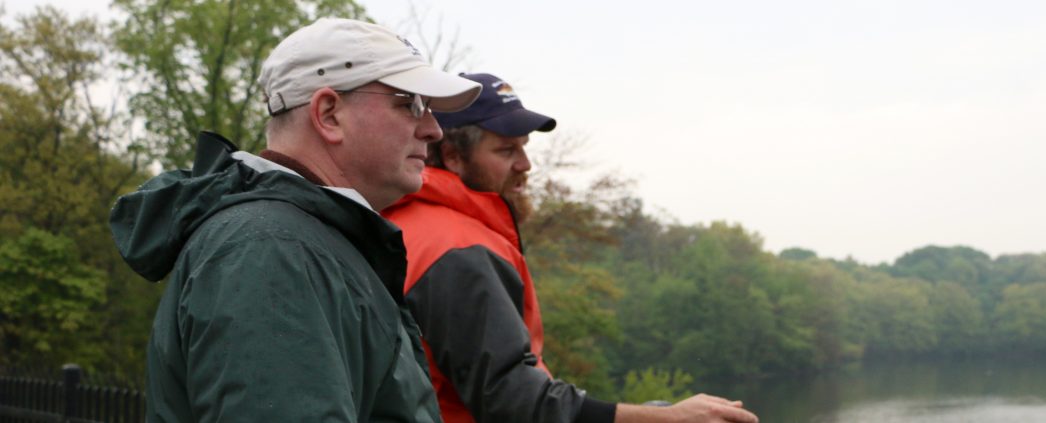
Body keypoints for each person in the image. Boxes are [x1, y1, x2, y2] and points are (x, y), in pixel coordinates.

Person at [108, 18, 482, 422]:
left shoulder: (303, 241)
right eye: (409, 102)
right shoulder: (270, 249)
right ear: (329, 114)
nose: (434, 130)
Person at [381, 73, 759, 423]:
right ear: (453, 157)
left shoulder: (414, 223)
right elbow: (512, 401)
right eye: (506, 150)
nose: (525, 165)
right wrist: (670, 418)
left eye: (524, 148)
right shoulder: (456, 247)